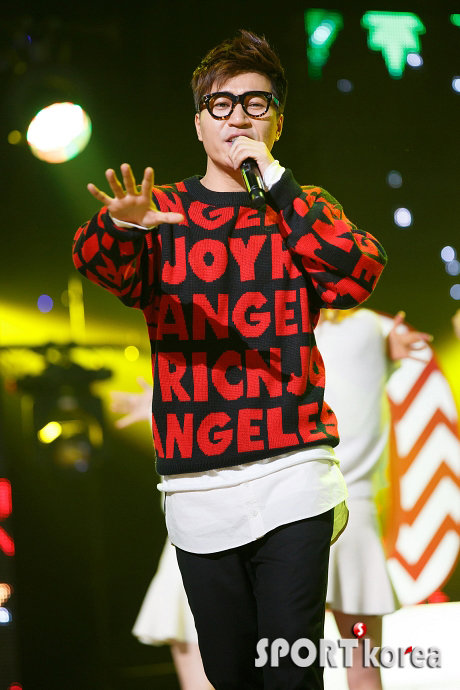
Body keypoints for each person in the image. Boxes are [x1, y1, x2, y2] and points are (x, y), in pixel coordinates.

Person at [72, 29, 387, 689]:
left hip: (295, 468)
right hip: (197, 482)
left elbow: (357, 273)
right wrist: (122, 225)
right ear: (198, 122)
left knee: (291, 666)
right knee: (230, 671)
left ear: (277, 121)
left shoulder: (302, 207)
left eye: (256, 103)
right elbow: (97, 263)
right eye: (221, 104)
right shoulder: (164, 212)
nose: (238, 117)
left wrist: (278, 186)